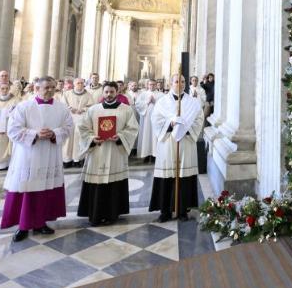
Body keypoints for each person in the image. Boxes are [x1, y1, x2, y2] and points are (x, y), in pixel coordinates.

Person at [1, 77, 72, 242]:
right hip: (28, 154)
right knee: (26, 188)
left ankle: (40, 222)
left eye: (53, 87)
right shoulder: (24, 106)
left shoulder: (61, 108)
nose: (50, 90)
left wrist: (55, 133)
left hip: (50, 153)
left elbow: (68, 127)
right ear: (36, 88)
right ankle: (23, 226)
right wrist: (35, 134)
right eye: (46, 87)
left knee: (45, 190)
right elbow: (12, 129)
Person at [76, 81, 139, 225]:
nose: (109, 95)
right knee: (97, 182)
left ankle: (112, 214)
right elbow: (83, 128)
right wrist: (92, 138)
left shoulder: (126, 110)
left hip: (116, 151)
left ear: (117, 92)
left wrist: (121, 137)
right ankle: (95, 214)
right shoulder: (93, 109)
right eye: (106, 92)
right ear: (102, 93)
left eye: (112, 92)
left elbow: (133, 128)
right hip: (98, 150)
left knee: (114, 183)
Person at [149, 73, 204, 222]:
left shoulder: (193, 103)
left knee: (184, 177)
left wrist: (186, 128)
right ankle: (165, 211)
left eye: (183, 81)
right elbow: (155, 120)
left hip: (185, 143)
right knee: (167, 177)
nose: (180, 84)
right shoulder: (162, 102)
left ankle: (182, 211)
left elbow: (199, 119)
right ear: (171, 83)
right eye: (176, 81)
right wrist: (170, 124)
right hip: (167, 143)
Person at [59, 78, 94, 168]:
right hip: (69, 118)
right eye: (78, 83)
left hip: (82, 119)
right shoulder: (67, 93)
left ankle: (78, 159)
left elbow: (91, 106)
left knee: (79, 139)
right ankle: (67, 160)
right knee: (68, 139)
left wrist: (83, 109)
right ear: (74, 84)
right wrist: (71, 109)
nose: (80, 84)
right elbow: (63, 104)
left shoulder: (88, 95)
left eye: (82, 83)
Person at [136, 79, 162, 163]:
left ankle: (155, 155)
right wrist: (147, 102)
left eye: (154, 84)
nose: (152, 86)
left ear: (156, 85)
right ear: (147, 85)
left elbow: (164, 106)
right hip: (146, 119)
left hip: (157, 119)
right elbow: (138, 104)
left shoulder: (161, 95)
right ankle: (146, 154)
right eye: (150, 84)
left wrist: (155, 102)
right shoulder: (143, 94)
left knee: (155, 136)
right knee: (146, 135)